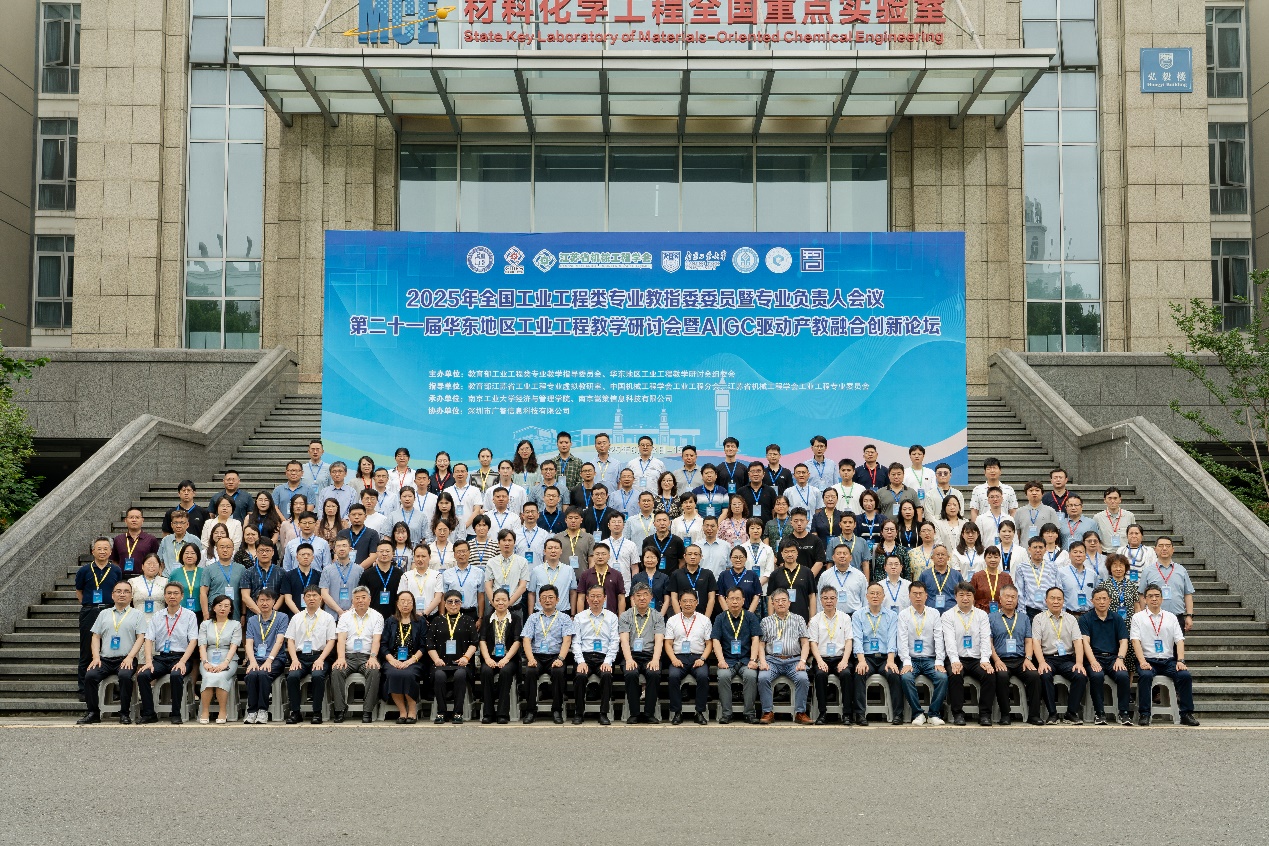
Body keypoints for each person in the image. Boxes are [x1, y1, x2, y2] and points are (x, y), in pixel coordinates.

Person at [78, 581, 147, 725]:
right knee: (90, 676)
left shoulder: (138, 614)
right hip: (105, 659)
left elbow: (141, 637)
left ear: (131, 596)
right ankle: (93, 712)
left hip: (126, 659)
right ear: (112, 595)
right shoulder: (104, 614)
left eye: (126, 591)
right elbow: (95, 636)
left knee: (125, 676)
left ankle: (124, 713)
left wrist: (130, 657)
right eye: (118, 591)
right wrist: (96, 657)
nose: (122, 594)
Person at [1131, 585, 1200, 726]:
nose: (1154, 599)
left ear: (1162, 599)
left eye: (1157, 596)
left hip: (1168, 661)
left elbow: (1179, 640)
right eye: (1150, 596)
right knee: (1145, 676)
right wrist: (1142, 661)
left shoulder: (1171, 617)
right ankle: (1144, 714)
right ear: (1145, 599)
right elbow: (1135, 641)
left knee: (1184, 676)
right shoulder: (1138, 617)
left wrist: (1180, 660)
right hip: (1148, 660)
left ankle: (1186, 713)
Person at [987, 585, 1043, 725]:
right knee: (1001, 676)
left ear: (1017, 600)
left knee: (1034, 676)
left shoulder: (1024, 618)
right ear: (1000, 599)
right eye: (1007, 596)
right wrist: (996, 660)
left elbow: (1028, 641)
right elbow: (989, 642)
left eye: (1013, 597)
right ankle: (1005, 715)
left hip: (1020, 660)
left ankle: (1034, 715)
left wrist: (1028, 658)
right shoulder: (991, 617)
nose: (1010, 600)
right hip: (1001, 659)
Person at [1032, 586, 1088, 724]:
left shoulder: (1071, 619)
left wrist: (1079, 663)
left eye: (1059, 599)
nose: (1056, 601)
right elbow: (1036, 642)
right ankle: (1052, 714)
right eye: (1052, 598)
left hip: (1067, 659)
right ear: (1046, 600)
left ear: (1063, 601)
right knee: (1045, 675)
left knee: (1080, 675)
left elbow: (1078, 642)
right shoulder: (1038, 618)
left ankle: (1071, 713)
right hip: (1047, 658)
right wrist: (1041, 663)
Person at [941, 583, 995, 726]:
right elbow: (949, 640)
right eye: (961, 595)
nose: (965, 598)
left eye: (968, 595)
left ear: (973, 597)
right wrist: (954, 660)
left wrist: (985, 659)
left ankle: (985, 714)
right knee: (955, 674)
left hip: (977, 659)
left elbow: (985, 638)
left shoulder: (982, 615)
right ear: (955, 597)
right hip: (957, 657)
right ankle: (958, 714)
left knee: (989, 674)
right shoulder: (948, 615)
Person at [520, 584, 574, 724]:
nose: (547, 600)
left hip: (556, 656)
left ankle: (557, 710)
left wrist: (561, 658)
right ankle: (530, 711)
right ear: (539, 600)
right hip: (536, 656)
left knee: (558, 672)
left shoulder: (564, 618)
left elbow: (567, 640)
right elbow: (526, 640)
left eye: (551, 597)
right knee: (530, 672)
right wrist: (530, 659)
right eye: (544, 597)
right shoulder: (533, 618)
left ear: (557, 599)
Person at [76, 538, 123, 699]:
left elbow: (118, 590)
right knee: (86, 650)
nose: (102, 551)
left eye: (105, 549)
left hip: (110, 610)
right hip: (90, 611)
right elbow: (79, 592)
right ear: (93, 551)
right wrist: (90, 606)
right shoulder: (84, 570)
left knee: (110, 649)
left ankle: (112, 689)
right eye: (99, 548)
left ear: (110, 552)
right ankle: (84, 689)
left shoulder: (116, 570)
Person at [1079, 587, 1133, 726]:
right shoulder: (1085, 619)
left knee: (1123, 675)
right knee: (1096, 676)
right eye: (1098, 599)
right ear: (1092, 601)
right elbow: (1085, 642)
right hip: (1094, 657)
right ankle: (1100, 713)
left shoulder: (1117, 618)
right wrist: (1092, 661)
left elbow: (1124, 641)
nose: (1101, 602)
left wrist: (1120, 659)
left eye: (1104, 599)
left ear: (1110, 600)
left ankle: (1124, 713)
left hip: (1113, 658)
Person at [757, 588, 812, 724]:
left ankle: (800, 712)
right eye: (777, 601)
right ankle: (768, 712)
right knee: (763, 677)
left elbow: (805, 643)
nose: (780, 603)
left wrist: (803, 661)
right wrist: (762, 661)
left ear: (789, 602)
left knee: (803, 678)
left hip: (794, 660)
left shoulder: (799, 619)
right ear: (772, 603)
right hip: (772, 660)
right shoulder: (766, 621)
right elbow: (761, 645)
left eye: (783, 600)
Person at [284, 586, 337, 724]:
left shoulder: (328, 618)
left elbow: (331, 641)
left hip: (320, 656)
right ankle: (295, 712)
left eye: (314, 595)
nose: (311, 598)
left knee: (318, 675)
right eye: (308, 596)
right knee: (292, 676)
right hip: (300, 657)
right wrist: (294, 660)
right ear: (304, 599)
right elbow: (290, 640)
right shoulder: (296, 618)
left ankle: (317, 712)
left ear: (321, 598)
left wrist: (321, 659)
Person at [330, 586, 384, 723]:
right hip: (348, 657)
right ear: (352, 601)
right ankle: (340, 710)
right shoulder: (345, 617)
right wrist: (340, 658)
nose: (360, 601)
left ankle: (367, 711)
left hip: (367, 657)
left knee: (374, 671)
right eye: (357, 598)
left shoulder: (377, 616)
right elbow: (341, 639)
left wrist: (373, 657)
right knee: (336, 671)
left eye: (363, 597)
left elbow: (376, 640)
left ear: (369, 600)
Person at [896, 582, 948, 726]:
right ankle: (917, 713)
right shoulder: (903, 615)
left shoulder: (934, 613)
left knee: (942, 677)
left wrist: (939, 661)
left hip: (930, 659)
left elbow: (939, 638)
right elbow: (902, 640)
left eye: (921, 593)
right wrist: (906, 662)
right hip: (911, 659)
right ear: (909, 596)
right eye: (915, 593)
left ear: (926, 596)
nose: (918, 596)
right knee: (906, 677)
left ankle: (933, 714)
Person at [851, 583, 901, 726]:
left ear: (883, 597)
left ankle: (898, 714)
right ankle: (860, 714)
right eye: (872, 593)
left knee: (894, 674)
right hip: (866, 657)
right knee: (859, 673)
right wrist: (861, 661)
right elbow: (857, 640)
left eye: (878, 593)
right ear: (866, 596)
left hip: (885, 657)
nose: (875, 596)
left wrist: (891, 661)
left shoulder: (891, 615)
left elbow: (892, 639)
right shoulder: (858, 615)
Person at [427, 590, 480, 723]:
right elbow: (429, 643)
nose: (453, 604)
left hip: (462, 663)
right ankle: (441, 712)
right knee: (439, 676)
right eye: (450, 602)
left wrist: (466, 658)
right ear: (444, 604)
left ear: (461, 603)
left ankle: (458, 712)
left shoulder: (468, 620)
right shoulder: (437, 621)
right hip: (441, 663)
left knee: (460, 675)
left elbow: (474, 643)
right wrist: (436, 659)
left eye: (457, 601)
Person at [570, 585, 620, 725]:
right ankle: (579, 713)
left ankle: (603, 713)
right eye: (592, 596)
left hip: (603, 657)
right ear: (587, 598)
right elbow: (576, 642)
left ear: (605, 598)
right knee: (580, 676)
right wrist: (580, 661)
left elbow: (614, 641)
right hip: (584, 656)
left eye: (599, 596)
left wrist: (608, 661)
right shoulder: (579, 617)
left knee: (606, 675)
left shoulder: (612, 617)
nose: (595, 599)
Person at [710, 587, 761, 724]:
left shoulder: (750, 617)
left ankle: (749, 713)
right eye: (731, 599)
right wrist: (721, 660)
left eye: (738, 599)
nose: (734, 602)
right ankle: (727, 714)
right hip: (728, 660)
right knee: (723, 675)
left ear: (743, 600)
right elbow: (715, 640)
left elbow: (755, 639)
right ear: (726, 600)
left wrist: (753, 660)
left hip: (746, 660)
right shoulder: (720, 618)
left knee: (751, 675)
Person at [663, 590, 713, 724]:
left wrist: (702, 659)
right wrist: (673, 659)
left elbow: (709, 644)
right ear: (679, 603)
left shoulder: (704, 620)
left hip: (698, 657)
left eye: (691, 601)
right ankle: (677, 713)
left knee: (703, 676)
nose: (688, 604)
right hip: (678, 658)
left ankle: (699, 712)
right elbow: (668, 643)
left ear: (696, 603)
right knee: (673, 676)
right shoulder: (672, 620)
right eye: (685, 601)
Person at [808, 585, 856, 725]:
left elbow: (849, 641)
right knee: (820, 675)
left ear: (837, 599)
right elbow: (813, 643)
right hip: (821, 658)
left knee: (846, 674)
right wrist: (819, 661)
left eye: (832, 598)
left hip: (841, 657)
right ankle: (822, 713)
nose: (829, 601)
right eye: (825, 598)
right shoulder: (815, 620)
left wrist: (845, 660)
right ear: (821, 600)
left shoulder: (845, 618)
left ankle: (847, 714)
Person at [618, 583, 665, 724]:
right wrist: (628, 659)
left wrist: (655, 659)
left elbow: (659, 640)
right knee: (631, 673)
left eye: (645, 595)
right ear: (633, 598)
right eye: (638, 595)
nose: (642, 598)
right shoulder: (625, 616)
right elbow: (624, 640)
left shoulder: (657, 616)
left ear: (651, 597)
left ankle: (649, 713)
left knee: (654, 673)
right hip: (632, 655)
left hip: (650, 655)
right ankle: (634, 713)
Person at [242, 588, 289, 724]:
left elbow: (279, 641)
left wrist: (269, 660)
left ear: (274, 601)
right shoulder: (252, 620)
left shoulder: (282, 617)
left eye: (268, 600)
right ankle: (252, 711)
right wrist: (252, 661)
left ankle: (263, 710)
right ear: (256, 602)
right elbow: (249, 643)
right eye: (261, 600)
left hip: (276, 658)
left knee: (263, 674)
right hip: (256, 658)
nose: (264, 603)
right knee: (251, 674)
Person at [382, 590, 428, 724]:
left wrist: (410, 661)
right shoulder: (390, 621)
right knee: (393, 674)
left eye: (409, 602)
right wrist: (392, 660)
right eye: (402, 601)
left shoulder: (420, 621)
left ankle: (412, 711)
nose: (405, 604)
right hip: (393, 660)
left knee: (408, 674)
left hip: (414, 660)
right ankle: (402, 711)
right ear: (397, 604)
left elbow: (423, 646)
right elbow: (383, 645)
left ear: (413, 605)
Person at [196, 594, 242, 724]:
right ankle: (205, 711)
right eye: (220, 605)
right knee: (208, 676)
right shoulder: (205, 624)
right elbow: (202, 645)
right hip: (208, 657)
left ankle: (222, 710)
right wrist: (205, 662)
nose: (223, 608)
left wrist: (225, 663)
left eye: (226, 606)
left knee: (221, 676)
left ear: (231, 609)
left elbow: (234, 646)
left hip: (228, 659)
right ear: (214, 608)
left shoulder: (235, 624)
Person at [479, 588, 522, 724]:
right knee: (486, 671)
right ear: (492, 602)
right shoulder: (487, 619)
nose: (500, 603)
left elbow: (517, 641)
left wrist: (506, 658)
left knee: (505, 672)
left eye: (504, 600)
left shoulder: (515, 619)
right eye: (497, 600)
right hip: (490, 657)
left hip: (509, 658)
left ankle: (502, 713)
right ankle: (488, 713)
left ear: (509, 601)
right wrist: (487, 659)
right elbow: (482, 640)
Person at [1141, 536, 1195, 632]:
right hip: (1154, 618)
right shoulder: (1147, 571)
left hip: (1177, 617)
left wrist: (1189, 615)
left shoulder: (1181, 570)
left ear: (1173, 550)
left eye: (1168, 546)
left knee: (1178, 642)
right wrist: (1142, 616)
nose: (1164, 548)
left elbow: (1188, 594)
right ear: (1155, 549)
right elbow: (1142, 595)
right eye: (1161, 546)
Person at [484, 529, 531, 618]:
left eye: (510, 540)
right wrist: (496, 605)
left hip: (514, 608)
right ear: (499, 543)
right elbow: (488, 586)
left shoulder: (522, 562)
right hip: (495, 609)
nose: (507, 543)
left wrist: (507, 604)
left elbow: (522, 586)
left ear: (514, 543)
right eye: (504, 540)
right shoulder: (491, 562)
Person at [816, 540, 869, 617]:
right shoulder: (825, 576)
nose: (842, 556)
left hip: (854, 616)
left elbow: (865, 599)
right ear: (833, 557)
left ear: (850, 557)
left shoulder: (860, 576)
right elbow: (819, 599)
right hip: (831, 616)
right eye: (838, 554)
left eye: (845, 553)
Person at [1013, 536, 1060, 619]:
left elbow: (1059, 588)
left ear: (1045, 549)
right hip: (1030, 611)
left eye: (1041, 547)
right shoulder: (1021, 567)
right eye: (1035, 547)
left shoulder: (1053, 567)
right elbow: (1020, 591)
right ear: (1029, 549)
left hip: (1050, 610)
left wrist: (1060, 610)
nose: (1038, 550)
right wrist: (1022, 614)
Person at [769, 541, 817, 621]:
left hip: (802, 619)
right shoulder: (775, 574)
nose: (790, 554)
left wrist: (812, 620)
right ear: (782, 554)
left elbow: (812, 596)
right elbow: (771, 598)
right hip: (780, 620)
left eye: (792, 551)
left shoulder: (807, 572)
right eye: (786, 552)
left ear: (797, 553)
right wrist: (771, 620)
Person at [528, 537, 578, 613]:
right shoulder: (536, 570)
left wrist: (572, 614)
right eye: (550, 548)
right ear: (544, 551)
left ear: (561, 551)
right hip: (540, 613)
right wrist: (530, 615)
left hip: (563, 612)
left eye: (556, 548)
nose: (553, 551)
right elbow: (532, 593)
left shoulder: (569, 570)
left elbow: (573, 593)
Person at [202, 536, 246, 620]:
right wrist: (205, 613)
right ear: (216, 550)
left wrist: (243, 614)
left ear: (233, 549)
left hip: (235, 613)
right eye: (222, 547)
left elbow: (244, 593)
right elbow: (203, 592)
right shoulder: (208, 569)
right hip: (214, 613)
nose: (225, 550)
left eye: (228, 547)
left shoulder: (241, 569)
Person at [318, 537, 363, 618]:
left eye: (344, 546)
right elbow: (324, 594)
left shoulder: (359, 570)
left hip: (353, 616)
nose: (341, 549)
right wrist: (339, 611)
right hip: (331, 616)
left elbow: (361, 593)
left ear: (350, 549)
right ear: (334, 550)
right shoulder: (327, 570)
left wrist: (350, 611)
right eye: (338, 546)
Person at [576, 543, 626, 615]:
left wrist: (621, 618)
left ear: (609, 556)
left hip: (610, 616)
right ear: (593, 556)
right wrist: (580, 618)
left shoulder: (617, 575)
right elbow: (581, 598)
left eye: (603, 554)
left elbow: (621, 598)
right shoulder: (585, 574)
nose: (600, 556)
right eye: (597, 554)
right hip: (589, 616)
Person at [441, 539, 485, 621]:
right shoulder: (447, 574)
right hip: (452, 612)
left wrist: (480, 617)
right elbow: (444, 596)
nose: (462, 554)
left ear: (469, 553)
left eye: (464, 551)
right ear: (454, 555)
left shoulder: (479, 572)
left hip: (471, 612)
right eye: (458, 552)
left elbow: (481, 596)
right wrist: (442, 616)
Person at [668, 544, 716, 618]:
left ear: (701, 557)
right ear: (684, 556)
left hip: (702, 616)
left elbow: (711, 598)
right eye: (690, 554)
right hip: (682, 616)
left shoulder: (708, 574)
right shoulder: (676, 574)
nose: (693, 557)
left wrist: (706, 618)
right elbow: (674, 598)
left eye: (696, 554)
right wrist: (680, 618)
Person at [360, 539, 404, 618]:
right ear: (377, 553)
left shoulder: (400, 574)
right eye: (381, 551)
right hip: (372, 617)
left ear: (393, 553)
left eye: (387, 551)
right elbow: (362, 596)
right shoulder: (367, 574)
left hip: (394, 618)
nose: (384, 554)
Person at [110, 507, 159, 578]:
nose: (134, 520)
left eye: (137, 517)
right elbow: (114, 560)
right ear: (125, 520)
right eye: (131, 517)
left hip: (143, 578)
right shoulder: (118, 539)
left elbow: (155, 560)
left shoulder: (151, 539)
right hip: (122, 578)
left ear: (142, 520)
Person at [717, 545, 763, 614]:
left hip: (748, 614)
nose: (738, 560)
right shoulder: (724, 575)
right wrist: (729, 615)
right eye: (735, 557)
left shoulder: (752, 575)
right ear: (730, 558)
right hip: (728, 614)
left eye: (741, 557)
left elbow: (756, 596)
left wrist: (748, 615)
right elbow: (721, 596)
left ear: (746, 558)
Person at [969, 546, 1013, 614]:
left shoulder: (1006, 577)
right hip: (980, 613)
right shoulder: (977, 577)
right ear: (985, 559)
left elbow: (1011, 596)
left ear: (1000, 558)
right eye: (989, 557)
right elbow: (971, 596)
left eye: (996, 557)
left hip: (1001, 613)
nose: (993, 560)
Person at [129, 553, 169, 626]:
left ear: (160, 567)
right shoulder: (133, 581)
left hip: (160, 622)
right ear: (142, 566)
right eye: (149, 563)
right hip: (138, 621)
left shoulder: (165, 581)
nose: (151, 566)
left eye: (155, 564)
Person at [917, 544, 959, 612]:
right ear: (932, 558)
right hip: (930, 612)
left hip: (952, 612)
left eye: (943, 554)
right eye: (937, 554)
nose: (940, 557)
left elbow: (962, 594)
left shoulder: (956, 575)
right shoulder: (925, 575)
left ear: (948, 557)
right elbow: (919, 593)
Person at [1058, 540, 1096, 614]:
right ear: (1069, 555)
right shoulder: (1061, 573)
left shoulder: (1092, 574)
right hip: (1070, 614)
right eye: (1075, 552)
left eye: (1081, 552)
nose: (1078, 555)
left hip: (1089, 614)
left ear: (1085, 555)